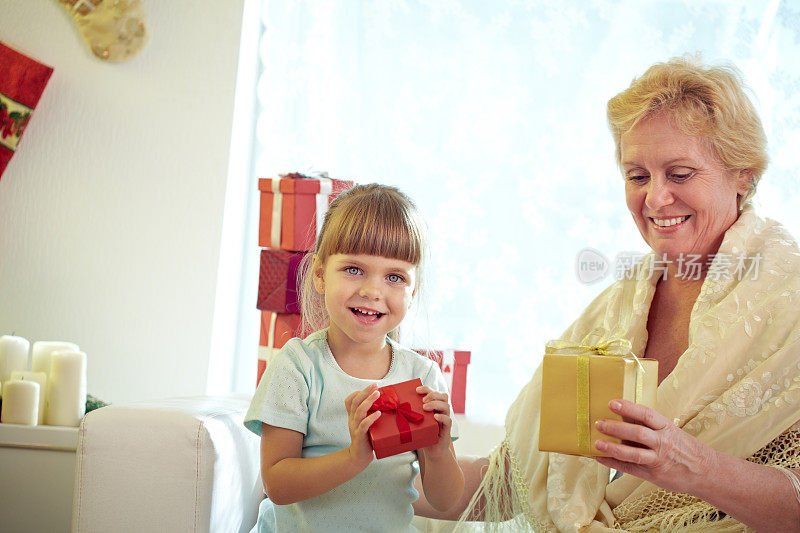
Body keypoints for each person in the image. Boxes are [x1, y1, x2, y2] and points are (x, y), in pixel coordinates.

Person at [414, 56, 800, 532]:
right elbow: (510, 485)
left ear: (742, 174)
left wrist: (693, 466)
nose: (656, 199)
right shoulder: (614, 311)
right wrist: (357, 469)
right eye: (638, 176)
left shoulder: (791, 307)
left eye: (679, 174)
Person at [244, 183, 465, 532]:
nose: (372, 291)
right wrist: (352, 458)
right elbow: (278, 484)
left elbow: (445, 499)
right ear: (319, 275)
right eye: (353, 269)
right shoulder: (298, 366)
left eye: (395, 277)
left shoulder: (421, 376)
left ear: (414, 290)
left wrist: (438, 451)